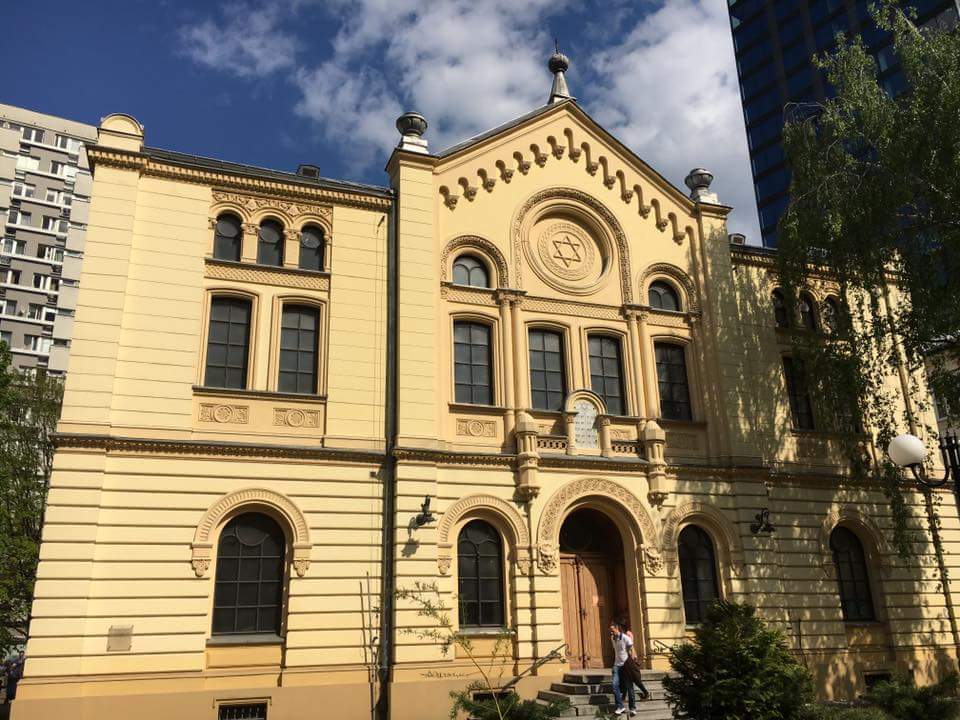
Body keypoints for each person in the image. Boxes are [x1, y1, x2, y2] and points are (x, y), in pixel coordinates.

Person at [609, 618, 637, 716]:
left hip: (626, 665)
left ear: (617, 629)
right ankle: (620, 706)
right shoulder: (612, 638)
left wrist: (633, 657)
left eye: (612, 630)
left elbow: (631, 648)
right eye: (610, 631)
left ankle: (632, 708)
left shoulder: (625, 638)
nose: (611, 632)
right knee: (614, 686)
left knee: (629, 687)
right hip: (616, 665)